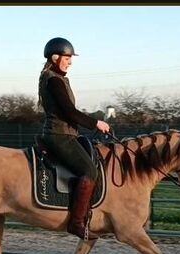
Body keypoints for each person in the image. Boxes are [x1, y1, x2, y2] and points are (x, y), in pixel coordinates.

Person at [38, 37, 111, 240]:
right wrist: (96, 123)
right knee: (89, 171)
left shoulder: (58, 79)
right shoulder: (53, 80)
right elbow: (70, 112)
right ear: (55, 57)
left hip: (67, 134)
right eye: (67, 58)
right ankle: (76, 223)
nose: (70, 62)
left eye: (70, 58)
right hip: (58, 135)